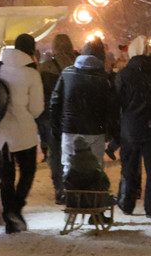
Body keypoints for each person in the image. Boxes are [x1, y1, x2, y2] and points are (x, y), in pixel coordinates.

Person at [0, 34, 45, 233]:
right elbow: (37, 109)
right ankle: (15, 208)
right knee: (27, 171)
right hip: (22, 132)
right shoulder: (31, 73)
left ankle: (11, 221)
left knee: (6, 175)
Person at [50, 39, 118, 189]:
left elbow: (55, 103)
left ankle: (71, 199)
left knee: (69, 167)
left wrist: (56, 128)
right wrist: (112, 133)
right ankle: (93, 202)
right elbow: (111, 108)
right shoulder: (105, 79)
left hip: (69, 128)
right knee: (95, 169)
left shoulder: (67, 73)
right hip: (95, 130)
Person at [115, 35, 151, 218]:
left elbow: (117, 101)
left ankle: (127, 203)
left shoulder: (124, 74)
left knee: (129, 167)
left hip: (130, 126)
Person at [38, 33, 76, 203]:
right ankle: (75, 186)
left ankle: (60, 188)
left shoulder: (44, 68)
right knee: (75, 151)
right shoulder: (78, 64)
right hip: (74, 114)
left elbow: (42, 96)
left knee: (56, 154)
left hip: (52, 116)